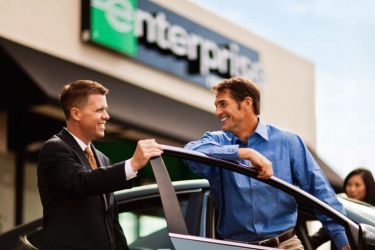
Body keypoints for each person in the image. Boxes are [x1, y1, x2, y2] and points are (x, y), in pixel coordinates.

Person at [184, 77, 350, 250]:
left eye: (223, 104)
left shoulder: (288, 142)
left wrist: (344, 242)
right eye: (216, 106)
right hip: (235, 247)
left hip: (286, 245)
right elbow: (190, 153)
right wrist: (244, 153)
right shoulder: (217, 141)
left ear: (247, 103)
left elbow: (321, 194)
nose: (217, 112)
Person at [37, 80, 163, 250]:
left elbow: (110, 219)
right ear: (76, 113)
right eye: (99, 110)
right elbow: (82, 182)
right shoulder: (55, 148)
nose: (106, 116)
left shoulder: (102, 159)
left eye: (106, 109)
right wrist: (132, 164)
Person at [311, 168, 375, 248]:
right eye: (349, 184)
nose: (352, 189)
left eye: (357, 185)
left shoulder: (370, 215)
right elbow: (315, 240)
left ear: (368, 187)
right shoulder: (341, 213)